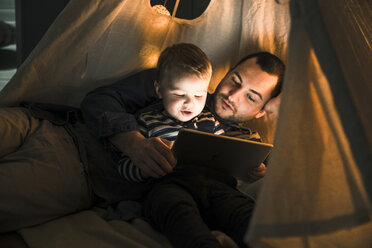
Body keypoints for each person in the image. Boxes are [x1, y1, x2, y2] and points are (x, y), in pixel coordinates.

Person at [0, 48, 284, 234]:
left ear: (262, 110)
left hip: (74, 166)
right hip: (46, 119)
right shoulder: (186, 83)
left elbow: (282, 159)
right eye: (235, 80)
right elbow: (101, 100)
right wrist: (132, 141)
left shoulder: (243, 147)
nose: (233, 95)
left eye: (251, 96)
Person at [109, 43, 254, 248]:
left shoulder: (209, 121)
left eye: (199, 95)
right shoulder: (146, 120)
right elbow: (124, 166)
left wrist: (247, 166)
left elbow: (227, 155)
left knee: (243, 211)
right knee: (175, 211)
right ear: (160, 90)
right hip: (168, 186)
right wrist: (144, 166)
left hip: (214, 185)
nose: (190, 103)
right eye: (179, 95)